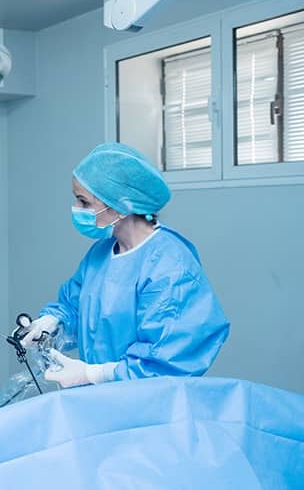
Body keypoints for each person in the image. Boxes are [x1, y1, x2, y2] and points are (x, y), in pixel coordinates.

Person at [22, 142, 229, 388]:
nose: (76, 209)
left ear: (121, 206)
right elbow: (75, 306)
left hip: (147, 403)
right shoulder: (102, 253)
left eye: (84, 202)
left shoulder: (170, 268)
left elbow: (167, 360)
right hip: (103, 398)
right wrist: (50, 324)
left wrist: (93, 374)